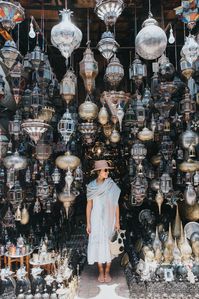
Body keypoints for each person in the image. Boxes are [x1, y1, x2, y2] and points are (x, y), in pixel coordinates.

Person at [86, 160, 121, 283]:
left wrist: (117, 222)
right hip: (95, 219)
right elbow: (89, 206)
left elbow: (116, 205)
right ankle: (101, 271)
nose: (107, 172)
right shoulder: (91, 186)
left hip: (109, 219)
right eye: (105, 170)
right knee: (98, 245)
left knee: (109, 245)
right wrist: (88, 223)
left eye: (107, 170)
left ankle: (107, 271)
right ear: (98, 172)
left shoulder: (111, 185)